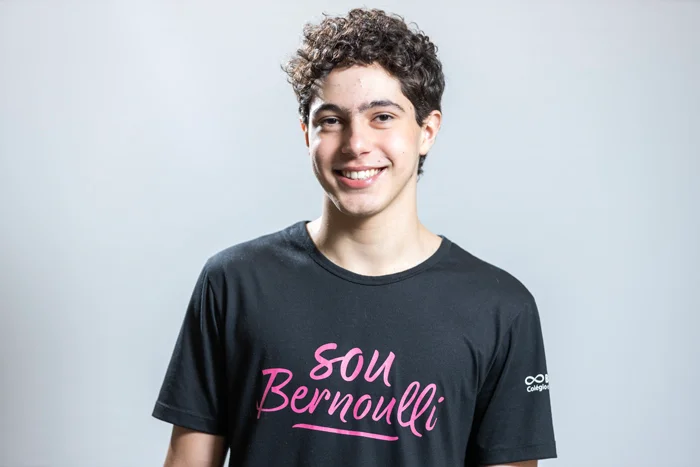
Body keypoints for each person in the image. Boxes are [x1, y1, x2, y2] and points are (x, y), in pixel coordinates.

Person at [152, 8, 557, 467]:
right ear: (306, 133)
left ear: (426, 131)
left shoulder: (501, 309)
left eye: (382, 116)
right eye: (331, 120)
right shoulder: (235, 283)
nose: (356, 144)